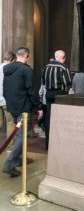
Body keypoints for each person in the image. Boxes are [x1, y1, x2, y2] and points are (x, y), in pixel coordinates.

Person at [2, 47, 43, 177]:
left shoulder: (7, 69)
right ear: (27, 56)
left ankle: (20, 159)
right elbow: (31, 91)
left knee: (19, 134)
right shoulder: (26, 70)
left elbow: (5, 89)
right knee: (21, 136)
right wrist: (39, 106)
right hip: (24, 108)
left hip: (12, 106)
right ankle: (10, 165)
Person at [41, 50, 71, 150]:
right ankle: (59, 144)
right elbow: (68, 82)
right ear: (63, 58)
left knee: (48, 119)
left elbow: (43, 82)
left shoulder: (46, 67)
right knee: (61, 120)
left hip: (49, 94)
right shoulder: (64, 67)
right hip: (60, 95)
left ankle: (48, 145)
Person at [0, 51, 16, 140]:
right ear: (11, 59)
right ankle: (9, 147)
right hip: (6, 100)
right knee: (10, 122)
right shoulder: (10, 69)